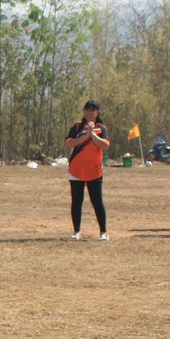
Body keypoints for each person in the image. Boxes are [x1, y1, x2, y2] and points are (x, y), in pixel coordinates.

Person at [65, 100, 110, 242]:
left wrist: (93, 135)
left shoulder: (101, 128)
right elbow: (69, 142)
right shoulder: (77, 127)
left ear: (97, 112)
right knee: (77, 201)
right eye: (87, 110)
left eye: (92, 110)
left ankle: (103, 232)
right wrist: (85, 135)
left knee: (97, 201)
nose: (89, 113)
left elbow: (105, 146)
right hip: (76, 170)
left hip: (94, 171)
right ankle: (76, 231)